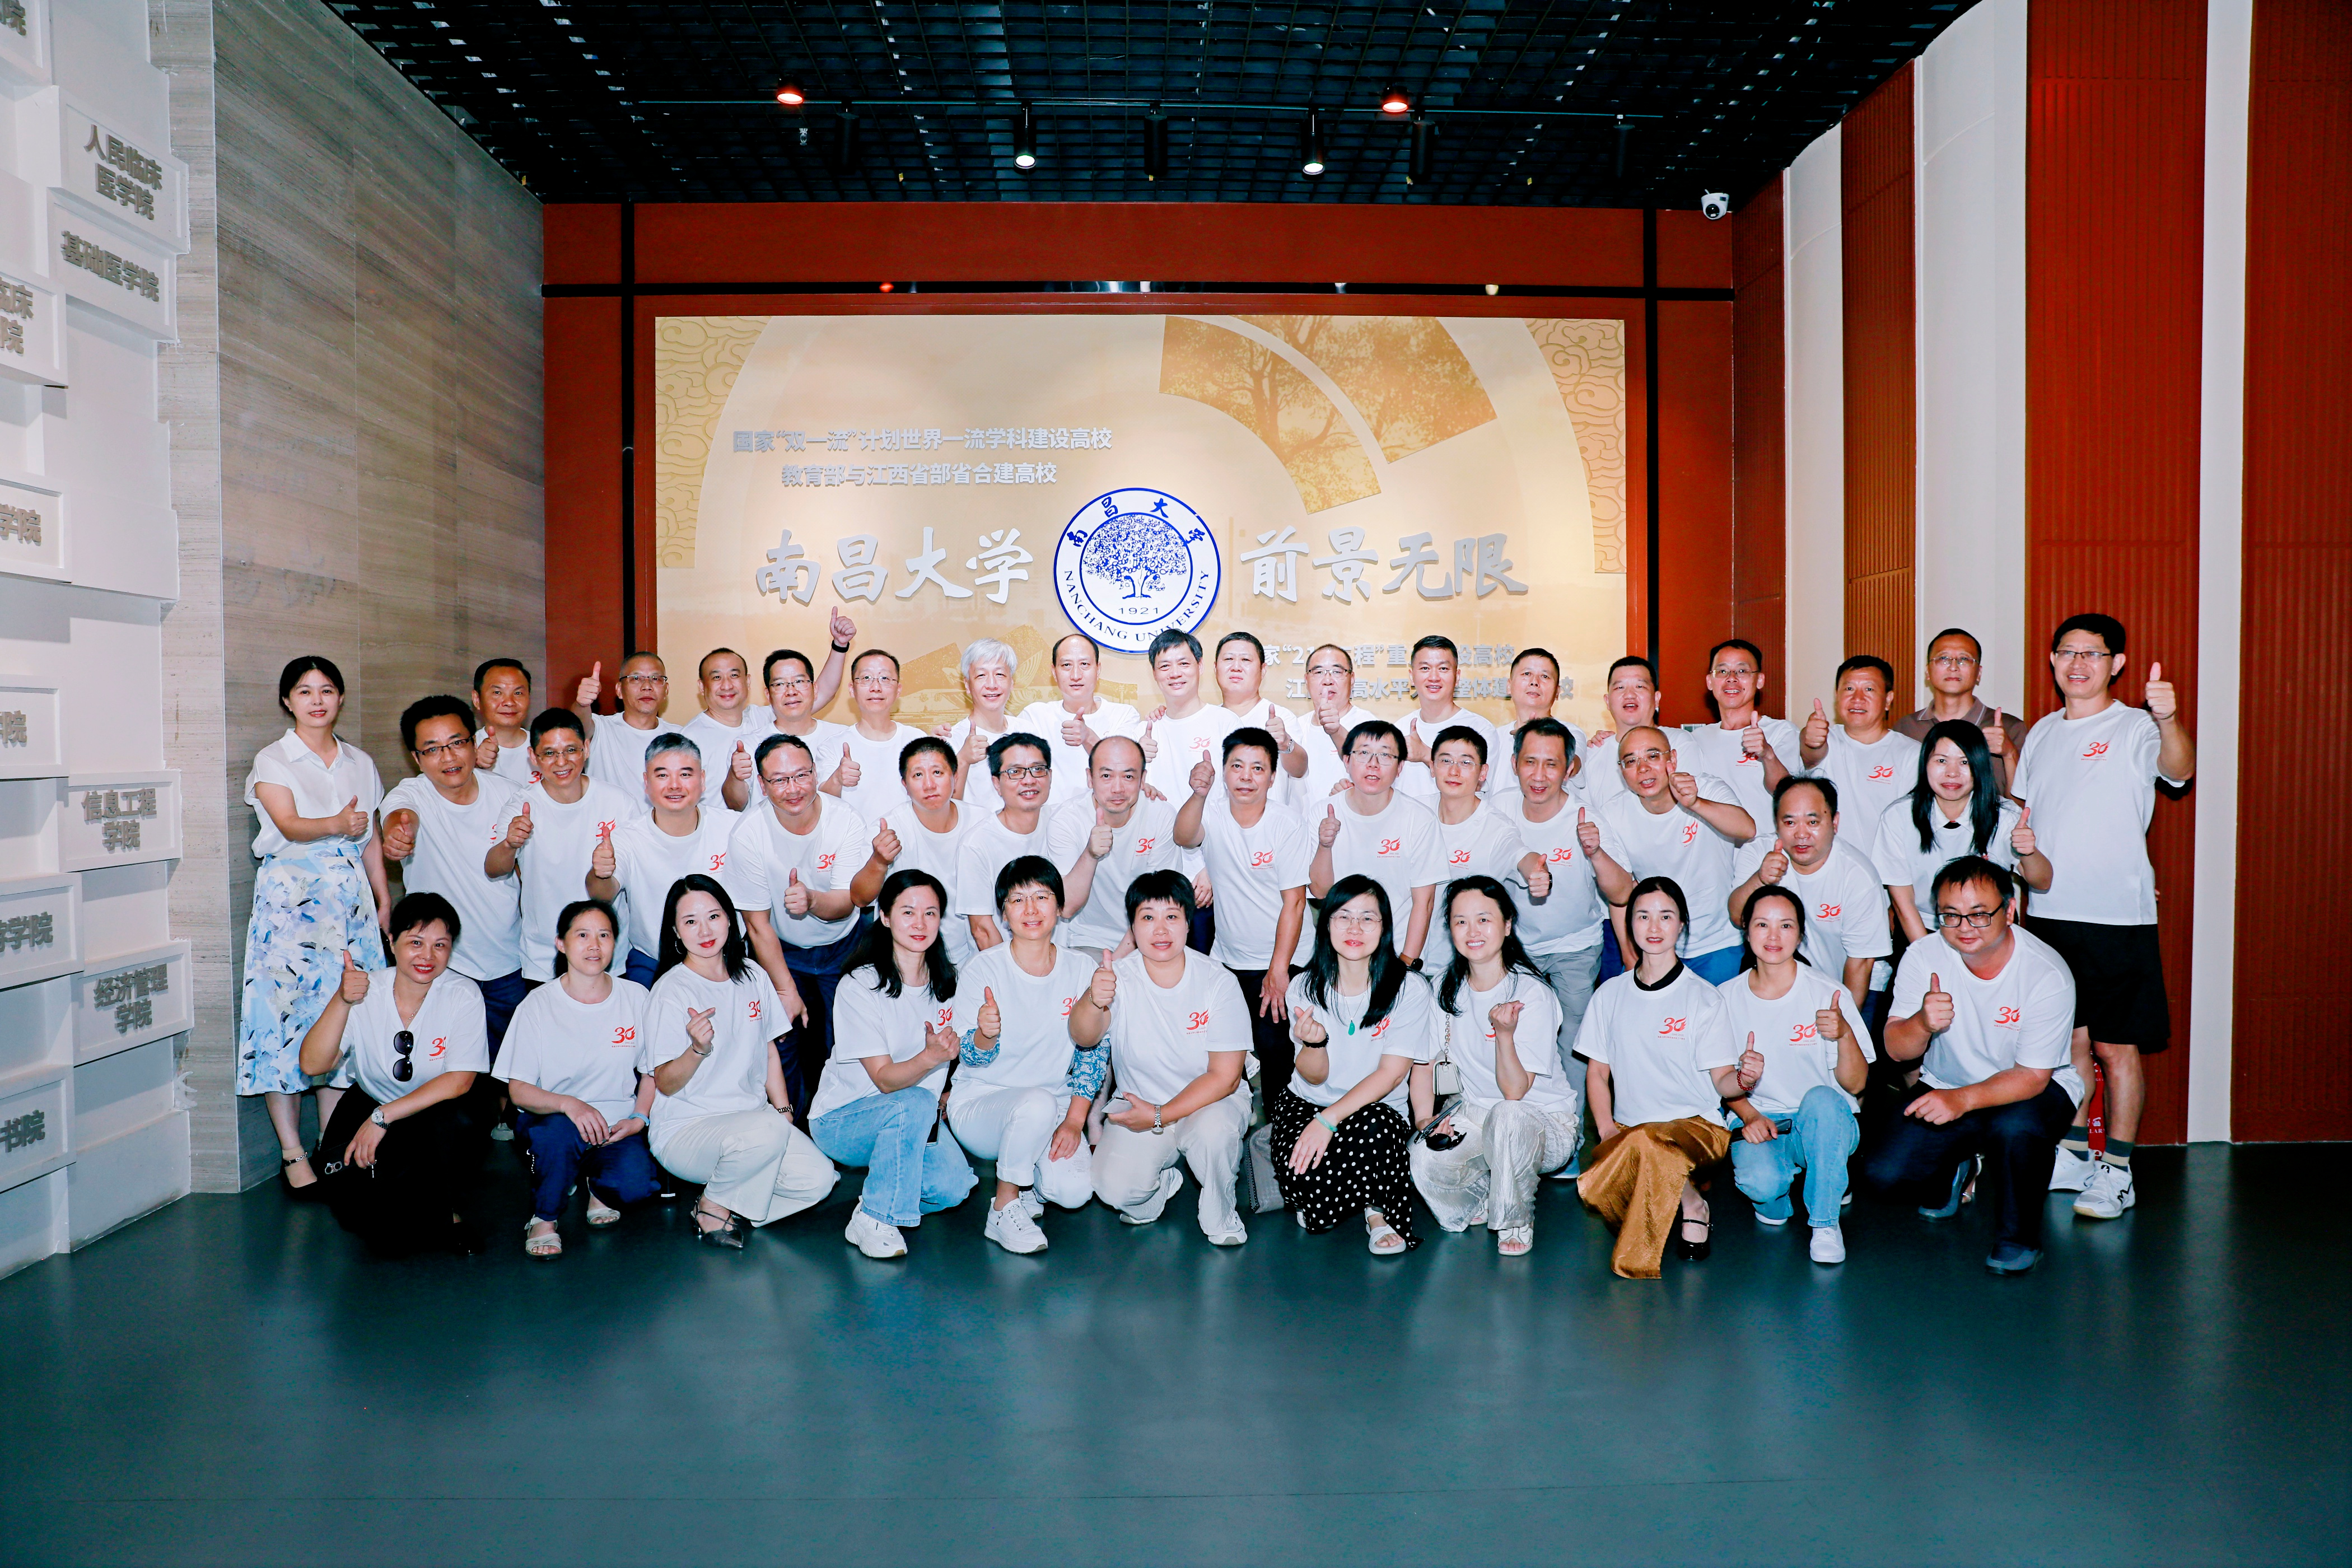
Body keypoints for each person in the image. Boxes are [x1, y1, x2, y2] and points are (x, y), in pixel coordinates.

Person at [2013, 614, 2194, 1219]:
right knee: (2068, 1044)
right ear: (2052, 660)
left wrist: (2167, 718)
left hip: (2116, 918)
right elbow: (2027, 822)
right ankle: (2072, 1154)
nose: (2078, 663)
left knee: (2116, 1048)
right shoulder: (2041, 733)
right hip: (2048, 915)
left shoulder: (2136, 726)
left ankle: (2117, 1170)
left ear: (2116, 664)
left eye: (2092, 654)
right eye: (2068, 652)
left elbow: (2179, 770)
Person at [1861, 857, 2082, 1273]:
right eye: (1950, 915)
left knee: (2015, 1128)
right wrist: (1922, 1023)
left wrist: (1962, 1101)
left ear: (2010, 910)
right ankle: (1957, 1164)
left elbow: (2033, 1076)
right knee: (1883, 1173)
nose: (1964, 927)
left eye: (1980, 914)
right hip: (1948, 1084)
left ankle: (2018, 1239)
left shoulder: (2046, 973)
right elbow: (1897, 1051)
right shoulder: (1923, 956)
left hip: (2032, 1091)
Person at [238, 656, 391, 1194]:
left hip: (350, 905)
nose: (317, 700)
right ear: (288, 701)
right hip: (291, 905)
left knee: (343, 1018)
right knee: (283, 1021)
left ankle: (331, 1142)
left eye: (327, 690)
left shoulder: (359, 761)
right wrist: (337, 823)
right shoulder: (274, 758)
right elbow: (288, 824)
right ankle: (291, 1151)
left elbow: (370, 837)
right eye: (305, 691)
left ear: (341, 697)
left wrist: (383, 897)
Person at [639, 875, 838, 1249]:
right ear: (676, 932)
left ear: (731, 920)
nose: (705, 931)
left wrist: (784, 1111)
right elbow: (664, 1082)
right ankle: (712, 1205)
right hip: (687, 1130)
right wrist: (696, 1049)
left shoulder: (753, 975)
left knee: (819, 1180)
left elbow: (768, 1049)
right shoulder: (670, 991)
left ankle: (732, 1203)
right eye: (691, 922)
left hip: (754, 1125)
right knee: (767, 1131)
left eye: (714, 917)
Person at [300, 892, 489, 1255]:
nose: (427, 956)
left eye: (440, 945)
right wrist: (342, 1001)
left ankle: (449, 1212)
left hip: (438, 1109)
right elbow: (312, 1065)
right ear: (392, 940)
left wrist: (383, 1117)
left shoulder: (463, 994)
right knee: (368, 1223)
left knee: (457, 1124)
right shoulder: (365, 989)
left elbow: (460, 1080)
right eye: (416, 942)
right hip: (372, 1098)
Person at [1573, 877, 1740, 1278]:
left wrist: (1746, 1080)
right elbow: (1597, 1072)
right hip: (1630, 1131)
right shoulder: (1609, 994)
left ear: (1681, 924)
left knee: (1647, 1144)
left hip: (1698, 1129)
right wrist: (1607, 1131)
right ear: (1629, 923)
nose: (1653, 926)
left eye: (1665, 916)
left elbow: (1723, 1082)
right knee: (1634, 1153)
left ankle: (1649, 1246)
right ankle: (1689, 1200)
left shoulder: (1704, 997)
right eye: (1643, 916)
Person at [809, 869, 977, 1259]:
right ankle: (878, 1218)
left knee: (953, 1188)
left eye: (930, 913)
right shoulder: (860, 985)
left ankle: (874, 1204)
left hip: (915, 1118)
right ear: (884, 917)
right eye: (908, 912)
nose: (920, 923)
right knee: (913, 1101)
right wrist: (931, 1058)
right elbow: (885, 1081)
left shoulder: (948, 985)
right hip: (843, 1120)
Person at [946, 857, 1110, 1254]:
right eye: (1018, 900)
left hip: (1053, 1104)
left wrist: (1075, 1121)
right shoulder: (982, 969)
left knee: (1073, 1192)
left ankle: (1029, 1182)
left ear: (1060, 906)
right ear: (1004, 914)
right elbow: (969, 1057)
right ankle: (1004, 1205)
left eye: (1042, 896)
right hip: (982, 1103)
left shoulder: (1082, 968)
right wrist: (985, 1036)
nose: (1031, 909)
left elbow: (1093, 1055)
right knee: (1034, 1103)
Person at [1412, 877, 1579, 1256]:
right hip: (1476, 1117)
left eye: (1484, 920)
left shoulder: (1531, 993)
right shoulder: (1444, 986)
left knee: (1508, 1114)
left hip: (1541, 1123)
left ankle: (1514, 1217)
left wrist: (1504, 1035)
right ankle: (1485, 1194)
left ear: (1507, 926)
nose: (1472, 932)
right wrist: (1425, 1120)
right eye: (1461, 921)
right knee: (1425, 1157)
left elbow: (1515, 1092)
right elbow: (1425, 1063)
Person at [1087, 871, 1253, 1244]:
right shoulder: (1117, 978)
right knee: (1114, 1190)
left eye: (1172, 916)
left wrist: (1161, 1115)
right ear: (1133, 927)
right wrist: (1093, 999)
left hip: (1210, 1103)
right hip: (1141, 1105)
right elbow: (1084, 1035)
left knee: (1213, 1134)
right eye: (1148, 917)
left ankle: (1221, 1210)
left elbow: (1226, 1076)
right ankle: (1159, 1186)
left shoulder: (1217, 981)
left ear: (1188, 922)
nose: (1160, 929)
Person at [725, 734, 886, 1116]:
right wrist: (785, 989)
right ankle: (793, 1128)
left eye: (802, 775)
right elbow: (757, 926)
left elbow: (848, 903)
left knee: (846, 1041)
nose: (794, 788)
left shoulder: (844, 820)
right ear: (762, 784)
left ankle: (844, 1122)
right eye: (780, 780)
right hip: (783, 950)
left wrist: (812, 900)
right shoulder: (749, 833)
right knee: (783, 1038)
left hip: (845, 946)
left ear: (815, 773)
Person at [1276, 876, 1436, 1254]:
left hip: (1375, 1112)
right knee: (1309, 1191)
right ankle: (1347, 1187)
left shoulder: (1408, 988)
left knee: (1374, 1130)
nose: (1354, 928)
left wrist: (1328, 1121)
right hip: (1309, 1104)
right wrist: (1314, 1043)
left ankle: (1377, 1213)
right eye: (1343, 917)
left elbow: (1392, 1075)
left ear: (1384, 928)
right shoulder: (1303, 987)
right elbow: (1313, 1076)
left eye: (1368, 918)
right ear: (1326, 924)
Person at [1715, 886, 1873, 1264]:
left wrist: (1844, 1034)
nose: (1774, 936)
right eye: (1762, 925)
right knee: (1764, 1191)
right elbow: (1716, 1079)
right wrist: (1748, 1113)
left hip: (1823, 1121)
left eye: (1786, 926)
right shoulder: (1724, 998)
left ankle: (1825, 1223)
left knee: (1821, 1100)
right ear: (1746, 930)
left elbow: (1856, 1085)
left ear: (1801, 934)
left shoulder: (1828, 993)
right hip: (1761, 1121)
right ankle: (1815, 1181)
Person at [496, 899, 658, 1258]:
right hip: (551, 1122)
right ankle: (544, 1217)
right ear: (561, 943)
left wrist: (639, 1118)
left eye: (604, 935)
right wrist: (570, 1105)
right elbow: (518, 1091)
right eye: (582, 935)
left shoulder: (636, 997)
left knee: (636, 1186)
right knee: (558, 1137)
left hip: (614, 1126)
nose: (594, 945)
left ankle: (595, 1183)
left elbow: (651, 1072)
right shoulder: (538, 1004)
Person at [379, 695, 528, 1058]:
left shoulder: (509, 794)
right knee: (443, 1068)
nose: (448, 757)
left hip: (509, 962)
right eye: (432, 749)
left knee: (511, 1069)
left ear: (474, 743)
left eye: (457, 743)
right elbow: (400, 816)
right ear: (416, 758)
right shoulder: (411, 794)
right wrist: (398, 834)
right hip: (442, 968)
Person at [1174, 727, 1311, 1101]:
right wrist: (1198, 794)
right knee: (1223, 1046)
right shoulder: (1212, 813)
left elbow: (1295, 903)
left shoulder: (1287, 824)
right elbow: (1184, 837)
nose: (1246, 777)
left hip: (1284, 959)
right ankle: (1237, 1121)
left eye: (1257, 768)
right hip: (1230, 959)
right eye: (1237, 766)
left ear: (1272, 776)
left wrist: (1279, 970)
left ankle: (1281, 1129)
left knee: (1274, 1047)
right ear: (1224, 771)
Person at [1497, 718, 1609, 1165]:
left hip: (1575, 947)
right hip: (1515, 951)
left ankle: (1567, 1142)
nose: (1539, 775)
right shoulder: (1498, 810)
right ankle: (1517, 1137)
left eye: (1551, 764)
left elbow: (1621, 889)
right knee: (1516, 1042)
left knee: (1572, 1045)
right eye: (1530, 762)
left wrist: (1596, 852)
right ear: (1514, 765)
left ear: (1570, 768)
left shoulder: (1585, 816)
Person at [1581, 726, 1754, 982]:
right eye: (1631, 761)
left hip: (1717, 940)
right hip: (1655, 946)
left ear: (1672, 758)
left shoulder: (1705, 787)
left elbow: (1747, 829)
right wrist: (1630, 957)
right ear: (1622, 771)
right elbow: (1621, 895)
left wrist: (1695, 804)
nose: (1643, 769)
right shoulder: (1614, 812)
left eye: (1653, 756)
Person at [589, 734, 753, 990]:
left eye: (685, 774)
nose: (674, 785)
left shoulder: (733, 828)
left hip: (727, 961)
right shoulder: (627, 838)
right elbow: (601, 895)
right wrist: (601, 873)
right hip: (654, 963)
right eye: (663, 775)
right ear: (646, 782)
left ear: (702, 780)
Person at [493, 708, 641, 992]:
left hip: (609, 955)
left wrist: (604, 871)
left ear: (587, 748)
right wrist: (509, 844)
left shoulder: (619, 802)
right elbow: (494, 868)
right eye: (549, 753)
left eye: (571, 750)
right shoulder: (522, 806)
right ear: (533, 757)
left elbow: (621, 886)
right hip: (544, 956)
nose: (561, 762)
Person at [1874, 720, 2049, 945]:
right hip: (1922, 928)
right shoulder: (1899, 816)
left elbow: (2043, 882)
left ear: (1980, 766)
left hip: (1989, 929)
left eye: (1965, 762)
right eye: (1941, 761)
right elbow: (1903, 904)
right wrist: (1928, 955)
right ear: (1925, 763)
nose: (1952, 773)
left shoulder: (2004, 815)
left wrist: (2028, 852)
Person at [1724, 775, 1892, 1004]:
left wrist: (1843, 1018)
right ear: (1776, 823)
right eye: (1790, 823)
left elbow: (1861, 962)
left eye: (1813, 822)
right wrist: (1760, 879)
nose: (1801, 834)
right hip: (1781, 982)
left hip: (1850, 981)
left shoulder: (1858, 876)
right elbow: (1737, 916)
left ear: (1834, 822)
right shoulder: (1758, 851)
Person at [1308, 720, 1441, 965]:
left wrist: (1406, 963)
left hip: (1396, 955)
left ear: (1400, 767)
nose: (1373, 764)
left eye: (1385, 755)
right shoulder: (1323, 813)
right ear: (1346, 761)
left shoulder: (1419, 818)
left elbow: (1425, 902)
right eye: (1364, 753)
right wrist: (1325, 846)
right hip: (1337, 954)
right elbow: (1320, 892)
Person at [1422, 726, 1548, 973]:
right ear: (1432, 766)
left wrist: (1538, 872)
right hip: (1409, 958)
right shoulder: (1415, 814)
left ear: (1483, 772)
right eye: (1446, 761)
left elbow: (1522, 855)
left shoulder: (1496, 827)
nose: (1454, 771)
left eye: (1466, 762)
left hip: (1465, 966)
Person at [1046, 735, 1178, 954]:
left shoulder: (1161, 815)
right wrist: (1090, 855)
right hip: (1089, 940)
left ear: (1143, 779)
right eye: (1106, 776)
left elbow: (1161, 903)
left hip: (1151, 940)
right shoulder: (1067, 820)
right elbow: (1066, 907)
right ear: (1090, 778)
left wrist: (1116, 963)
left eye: (1128, 776)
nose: (1118, 788)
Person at [1672, 639, 1798, 843]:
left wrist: (1767, 754)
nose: (1731, 679)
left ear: (1760, 680)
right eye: (1722, 671)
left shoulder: (1781, 732)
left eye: (1742, 671)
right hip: (1713, 855)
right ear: (1709, 682)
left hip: (1765, 852)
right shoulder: (1695, 739)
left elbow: (1788, 793)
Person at [874, 737, 973, 968]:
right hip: (907, 960)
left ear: (955, 777)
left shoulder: (981, 823)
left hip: (968, 956)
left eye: (938, 772)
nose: (929, 784)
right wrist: (878, 862)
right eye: (918, 775)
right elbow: (859, 897)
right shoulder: (888, 829)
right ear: (905, 784)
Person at [954, 732, 1057, 951]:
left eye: (1038, 769)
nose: (1029, 780)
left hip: (1056, 960)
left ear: (1050, 776)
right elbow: (982, 930)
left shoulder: (1062, 824)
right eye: (1015, 772)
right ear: (997, 783)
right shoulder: (976, 844)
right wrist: (1011, 970)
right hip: (1000, 962)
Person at [1014, 632, 1142, 806]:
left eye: (1084, 664)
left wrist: (1088, 737)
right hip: (1050, 820)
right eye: (1067, 665)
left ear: (1098, 670)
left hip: (1107, 818)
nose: (1076, 675)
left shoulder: (1123, 715)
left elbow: (1124, 772)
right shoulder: (1035, 717)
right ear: (1054, 672)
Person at [1797, 655, 1921, 834]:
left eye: (1869, 689)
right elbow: (1811, 753)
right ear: (1837, 695)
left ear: (1888, 700)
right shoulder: (1826, 739)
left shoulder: (1912, 754)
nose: (1857, 698)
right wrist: (1811, 741)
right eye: (1849, 688)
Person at [1893, 628, 2018, 788]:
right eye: (1944, 659)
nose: (1953, 667)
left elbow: (2023, 801)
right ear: (1928, 671)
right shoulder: (1906, 728)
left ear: (1979, 673)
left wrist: (2010, 754)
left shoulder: (2010, 729)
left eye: (1964, 659)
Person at [1136, 629, 1238, 811]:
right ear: (1154, 673)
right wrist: (1135, 760)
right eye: (1165, 666)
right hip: (1159, 829)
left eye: (1184, 663)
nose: (1175, 673)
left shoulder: (1225, 722)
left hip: (1211, 829)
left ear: (1200, 666)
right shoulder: (1144, 732)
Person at [826, 648, 928, 825]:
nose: (876, 688)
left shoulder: (917, 740)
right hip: (854, 841)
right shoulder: (833, 746)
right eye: (866, 678)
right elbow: (820, 806)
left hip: (909, 839)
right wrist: (837, 779)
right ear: (852, 689)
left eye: (885, 679)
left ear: (898, 690)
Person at [1397, 636, 1500, 805]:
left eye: (1443, 669)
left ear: (1457, 676)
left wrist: (1425, 754)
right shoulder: (1399, 729)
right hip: (1407, 821)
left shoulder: (1480, 729)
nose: (1434, 677)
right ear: (1412, 676)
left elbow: (1478, 787)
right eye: (1425, 668)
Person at [572, 652, 685, 805]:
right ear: (619, 690)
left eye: (655, 679)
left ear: (666, 690)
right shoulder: (601, 729)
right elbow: (576, 727)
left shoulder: (680, 737)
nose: (647, 686)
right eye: (636, 678)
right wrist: (582, 704)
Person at [1209, 632, 1309, 797]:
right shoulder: (1208, 719)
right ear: (1215, 668)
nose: (1236, 667)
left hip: (1268, 814)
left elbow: (1300, 771)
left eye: (1246, 660)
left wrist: (1285, 743)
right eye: (1228, 659)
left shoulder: (1280, 718)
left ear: (1263, 670)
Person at [1487, 647, 1587, 808]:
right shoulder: (1494, 738)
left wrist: (1534, 738)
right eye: (1527, 674)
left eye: (1545, 676)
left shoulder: (1570, 733)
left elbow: (1574, 765)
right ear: (1509, 686)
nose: (1534, 682)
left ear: (1557, 692)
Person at [681, 648, 772, 813]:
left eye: (734, 675)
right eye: (717, 677)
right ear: (702, 687)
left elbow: (810, 700)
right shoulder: (688, 740)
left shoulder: (761, 719)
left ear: (748, 681)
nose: (727, 685)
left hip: (759, 828)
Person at [760, 646, 852, 799]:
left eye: (799, 681)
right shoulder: (751, 744)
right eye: (780, 684)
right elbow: (736, 804)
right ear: (768, 694)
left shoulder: (843, 738)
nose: (791, 691)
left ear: (815, 689)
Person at [1295, 644, 1377, 806]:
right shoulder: (1296, 727)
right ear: (1306, 680)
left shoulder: (1370, 726)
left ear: (1352, 679)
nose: (1328, 681)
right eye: (1319, 672)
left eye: (1337, 672)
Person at [940, 638, 1018, 806]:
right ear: (967, 685)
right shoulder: (952, 740)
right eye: (981, 675)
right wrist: (963, 759)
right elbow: (944, 809)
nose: (992, 684)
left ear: (1012, 682)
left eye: (1000, 674)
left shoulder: (1026, 731)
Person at [470, 658, 538, 786]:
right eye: (497, 692)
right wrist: (471, 766)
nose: (509, 702)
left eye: (518, 693)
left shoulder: (544, 748)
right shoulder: (465, 751)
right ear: (477, 699)